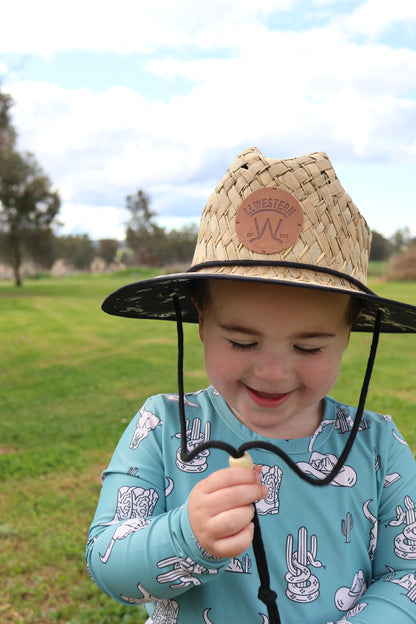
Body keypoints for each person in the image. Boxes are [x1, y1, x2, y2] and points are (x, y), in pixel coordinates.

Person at [86, 147, 416, 624]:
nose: (272, 372)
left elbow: (407, 574)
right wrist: (185, 537)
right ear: (200, 322)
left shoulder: (379, 448)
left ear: (351, 332)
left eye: (309, 348)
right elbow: (107, 563)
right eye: (242, 341)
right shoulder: (163, 429)